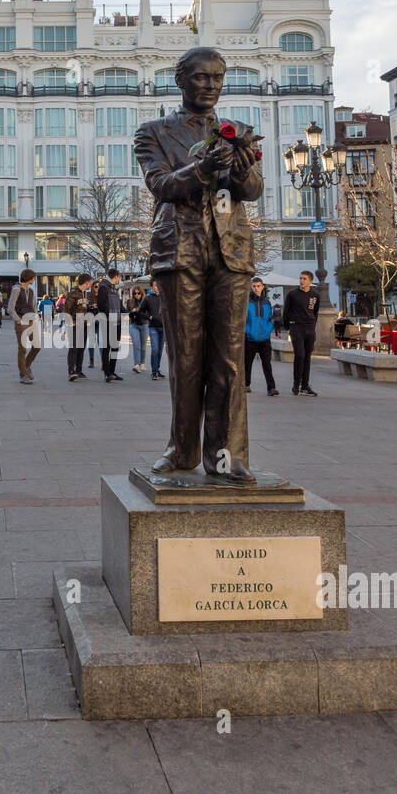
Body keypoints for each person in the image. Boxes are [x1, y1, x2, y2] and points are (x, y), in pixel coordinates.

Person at [134, 46, 263, 478]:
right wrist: (202, 169)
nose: (209, 85)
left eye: (217, 78)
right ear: (180, 80)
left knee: (228, 356)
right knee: (186, 357)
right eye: (201, 77)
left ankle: (227, 457)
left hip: (231, 249)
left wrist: (242, 169)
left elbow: (253, 190)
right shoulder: (153, 132)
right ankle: (182, 449)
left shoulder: (238, 130)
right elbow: (161, 186)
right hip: (180, 248)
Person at [283, 271, 320, 396]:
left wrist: (313, 326)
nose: (301, 281)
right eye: (300, 278)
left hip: (310, 329)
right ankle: (296, 384)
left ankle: (305, 386)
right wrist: (288, 327)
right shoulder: (292, 294)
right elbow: (286, 311)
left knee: (307, 357)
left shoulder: (315, 295)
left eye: (304, 279)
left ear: (310, 281)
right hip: (296, 328)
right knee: (300, 355)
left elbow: (315, 312)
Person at [245, 277, 278, 396]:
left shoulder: (267, 302)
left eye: (258, 286)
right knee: (247, 363)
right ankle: (246, 384)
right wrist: (247, 332)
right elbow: (243, 320)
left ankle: (271, 388)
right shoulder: (246, 302)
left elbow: (270, 319)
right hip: (250, 339)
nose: (256, 288)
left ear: (262, 287)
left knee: (267, 364)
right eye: (254, 286)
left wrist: (268, 330)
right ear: (251, 287)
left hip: (264, 339)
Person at [7, 268, 40, 384]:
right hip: (21, 323)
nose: (34, 279)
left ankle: (26, 367)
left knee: (37, 346)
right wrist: (19, 321)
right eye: (33, 277)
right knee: (23, 349)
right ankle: (23, 375)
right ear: (29, 278)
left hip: (31, 322)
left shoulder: (30, 291)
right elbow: (10, 308)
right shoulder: (16, 289)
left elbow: (34, 306)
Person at [97, 267, 124, 382]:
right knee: (107, 347)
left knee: (114, 347)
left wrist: (128, 312)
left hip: (116, 322)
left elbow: (118, 305)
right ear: (116, 276)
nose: (119, 280)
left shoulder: (112, 288)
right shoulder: (103, 287)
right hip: (108, 322)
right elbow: (102, 305)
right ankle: (107, 373)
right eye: (119, 278)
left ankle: (112, 371)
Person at [64, 274, 93, 380]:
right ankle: (71, 371)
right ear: (86, 282)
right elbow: (66, 308)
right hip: (74, 325)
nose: (91, 284)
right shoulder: (73, 293)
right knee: (73, 348)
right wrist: (70, 321)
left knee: (81, 348)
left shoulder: (86, 294)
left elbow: (83, 308)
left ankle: (79, 371)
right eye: (90, 282)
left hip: (84, 325)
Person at [141, 280, 165, 380]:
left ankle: (157, 369)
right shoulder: (147, 299)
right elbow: (141, 311)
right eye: (155, 285)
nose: (157, 287)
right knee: (155, 349)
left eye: (159, 284)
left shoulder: (165, 298)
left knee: (160, 351)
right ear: (151, 287)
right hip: (153, 327)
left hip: (163, 328)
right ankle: (154, 372)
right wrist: (149, 317)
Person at [128, 286, 148, 372]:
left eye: (138, 293)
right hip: (134, 325)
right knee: (136, 344)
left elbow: (147, 313)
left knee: (143, 346)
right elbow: (127, 313)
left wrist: (139, 311)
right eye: (135, 293)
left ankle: (142, 363)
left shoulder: (145, 301)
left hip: (144, 325)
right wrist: (132, 312)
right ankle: (136, 365)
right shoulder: (130, 301)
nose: (137, 295)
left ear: (141, 293)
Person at [85, 280, 100, 367]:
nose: (97, 288)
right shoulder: (88, 296)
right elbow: (84, 307)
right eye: (96, 287)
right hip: (91, 321)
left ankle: (103, 362)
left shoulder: (103, 296)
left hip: (100, 321)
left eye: (99, 287)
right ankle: (91, 360)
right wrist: (91, 306)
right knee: (91, 341)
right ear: (92, 287)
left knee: (101, 341)